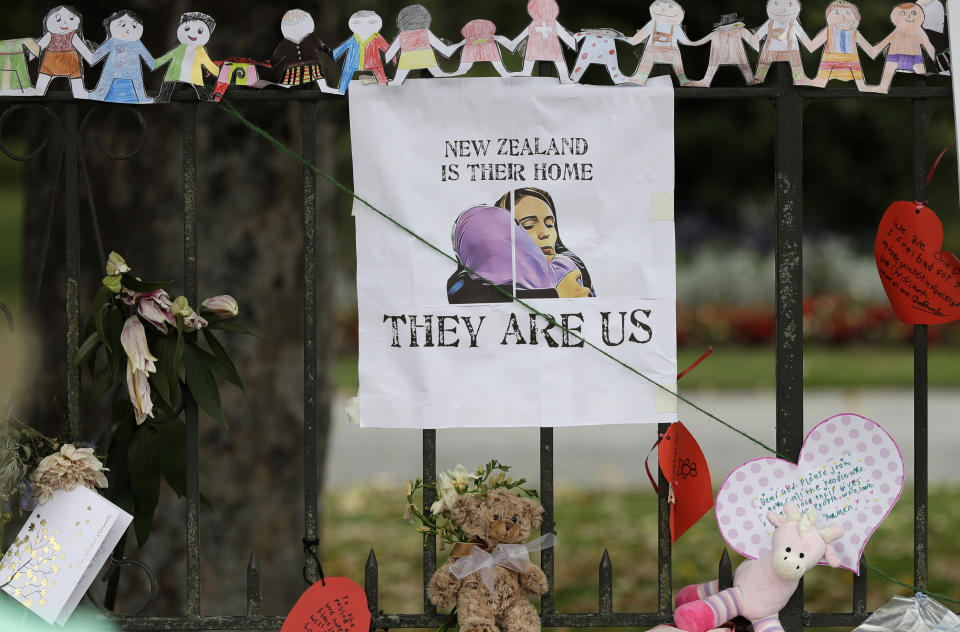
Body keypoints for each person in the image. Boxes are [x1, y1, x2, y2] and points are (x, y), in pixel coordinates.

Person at [446, 188, 595, 304]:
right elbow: (463, 292)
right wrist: (554, 295)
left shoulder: (569, 267)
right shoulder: (467, 285)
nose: (545, 233)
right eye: (528, 226)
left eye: (550, 224)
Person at [807, 1, 877, 90]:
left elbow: (871, 51)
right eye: (837, 12)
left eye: (848, 13)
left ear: (857, 17)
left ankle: (862, 86)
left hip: (851, 62)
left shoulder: (854, 33)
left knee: (860, 83)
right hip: (829, 61)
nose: (843, 17)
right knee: (820, 81)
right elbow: (811, 46)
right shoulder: (828, 31)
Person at [89, 10, 155, 103]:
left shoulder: (136, 44)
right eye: (123, 25)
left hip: (133, 89)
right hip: (109, 86)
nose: (128, 30)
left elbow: (151, 62)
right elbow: (93, 58)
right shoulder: (112, 42)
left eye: (134, 26)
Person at [385, 5, 461, 85]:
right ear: (426, 19)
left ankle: (396, 81)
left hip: (407, 60)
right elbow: (440, 47)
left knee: (399, 78)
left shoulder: (402, 35)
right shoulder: (425, 32)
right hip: (426, 58)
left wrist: (386, 59)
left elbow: (392, 50)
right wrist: (453, 47)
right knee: (437, 73)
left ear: (401, 21)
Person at [869, 3, 936, 93]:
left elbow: (928, 46)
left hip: (915, 58)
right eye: (903, 13)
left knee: (921, 79)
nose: (908, 16)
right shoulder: (897, 31)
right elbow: (882, 45)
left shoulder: (918, 31)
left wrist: (937, 61)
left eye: (913, 13)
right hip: (894, 57)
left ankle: (921, 90)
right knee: (886, 79)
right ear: (895, 16)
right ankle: (883, 87)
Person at [502, 0, 576, 82]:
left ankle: (526, 72)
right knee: (560, 63)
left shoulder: (536, 23)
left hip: (537, 48)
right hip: (551, 48)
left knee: (531, 62)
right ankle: (564, 78)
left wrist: (512, 45)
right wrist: (573, 43)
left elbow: (522, 35)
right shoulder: (553, 23)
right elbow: (564, 35)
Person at [624, 0, 694, 86]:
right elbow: (639, 37)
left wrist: (695, 43)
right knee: (643, 70)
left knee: (678, 67)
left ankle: (683, 80)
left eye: (670, 7)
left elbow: (684, 40)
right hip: (652, 51)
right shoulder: (652, 24)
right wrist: (626, 39)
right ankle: (639, 79)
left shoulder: (675, 27)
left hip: (669, 51)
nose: (664, 10)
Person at [153, 12, 218, 102]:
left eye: (200, 31)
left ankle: (204, 96)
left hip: (193, 73)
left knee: (199, 86)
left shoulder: (200, 50)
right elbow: (168, 56)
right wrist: (155, 63)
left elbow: (207, 62)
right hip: (175, 71)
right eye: (187, 28)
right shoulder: (180, 48)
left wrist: (217, 72)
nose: (193, 33)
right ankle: (164, 97)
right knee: (168, 84)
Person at [271, 9, 338, 93]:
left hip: (311, 66)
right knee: (291, 77)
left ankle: (323, 88)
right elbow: (277, 56)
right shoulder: (286, 43)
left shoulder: (310, 39)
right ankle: (286, 86)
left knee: (316, 76)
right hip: (293, 67)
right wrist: (272, 62)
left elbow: (322, 46)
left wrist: (330, 53)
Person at [34, 5, 94, 98]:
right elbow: (37, 48)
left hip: (71, 65)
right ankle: (39, 91)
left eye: (71, 18)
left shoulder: (74, 37)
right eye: (58, 19)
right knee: (40, 89)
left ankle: (79, 92)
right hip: (50, 65)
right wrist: (26, 56)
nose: (65, 22)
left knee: (78, 91)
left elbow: (84, 51)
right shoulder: (49, 36)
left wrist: (92, 59)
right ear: (47, 21)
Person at [753, 0, 817, 85]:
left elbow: (802, 36)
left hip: (790, 51)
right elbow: (758, 36)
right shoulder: (770, 22)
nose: (783, 9)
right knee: (763, 64)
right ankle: (759, 78)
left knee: (797, 66)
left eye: (789, 4)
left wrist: (810, 45)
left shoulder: (793, 23)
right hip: (771, 50)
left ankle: (800, 79)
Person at [687, 13, 759, 87]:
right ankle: (706, 81)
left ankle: (750, 79)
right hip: (722, 56)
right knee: (713, 68)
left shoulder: (741, 31)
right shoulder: (716, 34)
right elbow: (701, 41)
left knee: (744, 66)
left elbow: (752, 39)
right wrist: (689, 43)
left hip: (735, 55)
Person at [332, 10, 390, 93]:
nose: (365, 26)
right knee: (346, 72)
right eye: (358, 22)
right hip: (353, 61)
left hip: (373, 61)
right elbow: (343, 47)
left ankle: (384, 88)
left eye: (371, 22)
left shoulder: (377, 38)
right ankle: (341, 90)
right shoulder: (353, 38)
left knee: (379, 71)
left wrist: (395, 58)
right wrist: (333, 55)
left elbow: (387, 48)